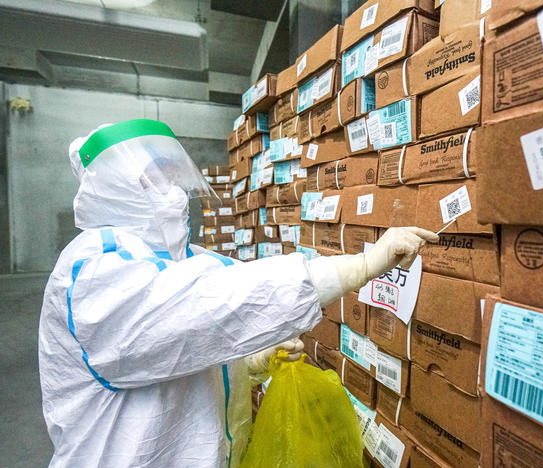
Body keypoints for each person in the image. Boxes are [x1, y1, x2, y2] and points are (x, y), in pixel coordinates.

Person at [38, 119, 438, 467]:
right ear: (114, 188)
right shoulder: (94, 269)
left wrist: (251, 361)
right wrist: (362, 266)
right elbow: (206, 310)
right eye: (151, 178)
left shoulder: (189, 261)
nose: (172, 191)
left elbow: (193, 349)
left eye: (170, 175)